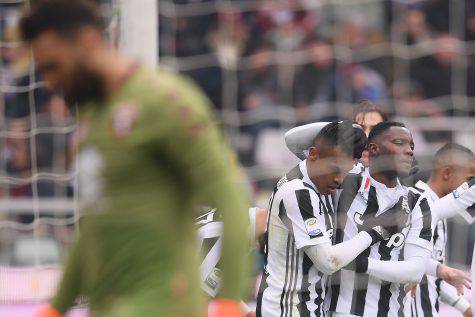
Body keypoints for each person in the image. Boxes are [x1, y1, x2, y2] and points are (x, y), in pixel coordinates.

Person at [21, 1, 250, 316]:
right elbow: (94, 226)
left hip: (163, 302)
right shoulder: (91, 117)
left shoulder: (165, 101)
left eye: (53, 65)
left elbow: (233, 200)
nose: (49, 82)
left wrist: (228, 301)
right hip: (106, 305)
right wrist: (56, 307)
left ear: (88, 40)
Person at [257, 121, 405, 316]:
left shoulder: (323, 176)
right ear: (312, 154)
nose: (340, 179)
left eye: (345, 171)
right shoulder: (297, 192)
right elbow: (327, 262)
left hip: (310, 308)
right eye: (335, 169)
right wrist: (376, 232)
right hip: (285, 309)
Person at [405, 143, 475, 317]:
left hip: (428, 308)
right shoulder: (416, 202)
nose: (470, 188)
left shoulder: (439, 208)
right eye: (469, 180)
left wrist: (463, 306)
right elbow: (407, 261)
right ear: (447, 173)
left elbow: (431, 274)